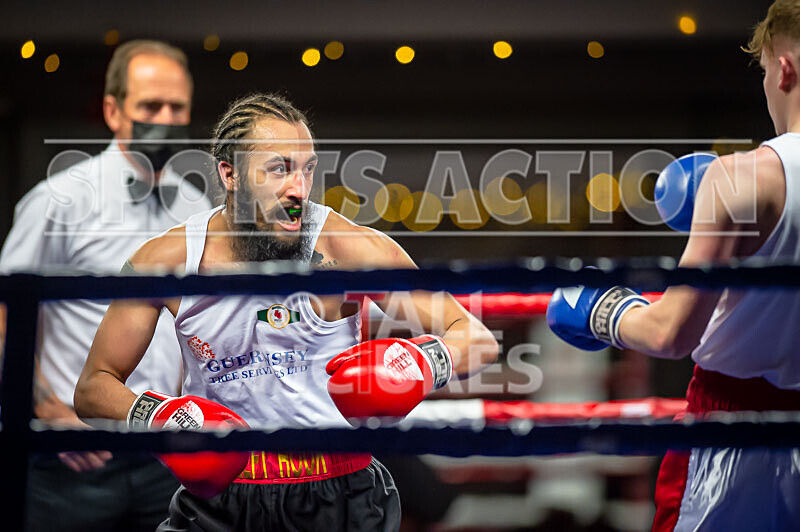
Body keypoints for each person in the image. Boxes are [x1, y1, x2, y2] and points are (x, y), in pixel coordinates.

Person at [73, 92, 499, 531]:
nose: (298, 188)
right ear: (230, 173)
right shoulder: (166, 259)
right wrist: (163, 415)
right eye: (279, 169)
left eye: (306, 169)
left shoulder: (348, 247)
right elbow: (92, 387)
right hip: (219, 496)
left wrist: (418, 363)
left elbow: (475, 337)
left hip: (339, 492)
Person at [546, 1, 800, 530]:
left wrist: (603, 309)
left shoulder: (743, 178)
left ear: (784, 69)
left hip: (731, 438)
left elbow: (671, 334)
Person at [0, 39, 211, 531]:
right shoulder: (60, 200)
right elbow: (5, 312)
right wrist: (44, 407)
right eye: (149, 105)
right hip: (74, 460)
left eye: (176, 107)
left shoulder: (196, 208)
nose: (164, 117)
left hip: (169, 456)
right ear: (114, 111)